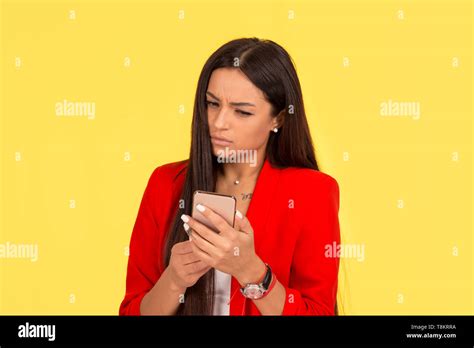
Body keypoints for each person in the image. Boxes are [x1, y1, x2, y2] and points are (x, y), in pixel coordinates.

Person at [119, 37, 341, 315]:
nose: (218, 123)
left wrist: (252, 271)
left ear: (278, 119)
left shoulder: (313, 192)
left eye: (242, 111)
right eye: (212, 104)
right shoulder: (165, 183)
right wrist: (174, 279)